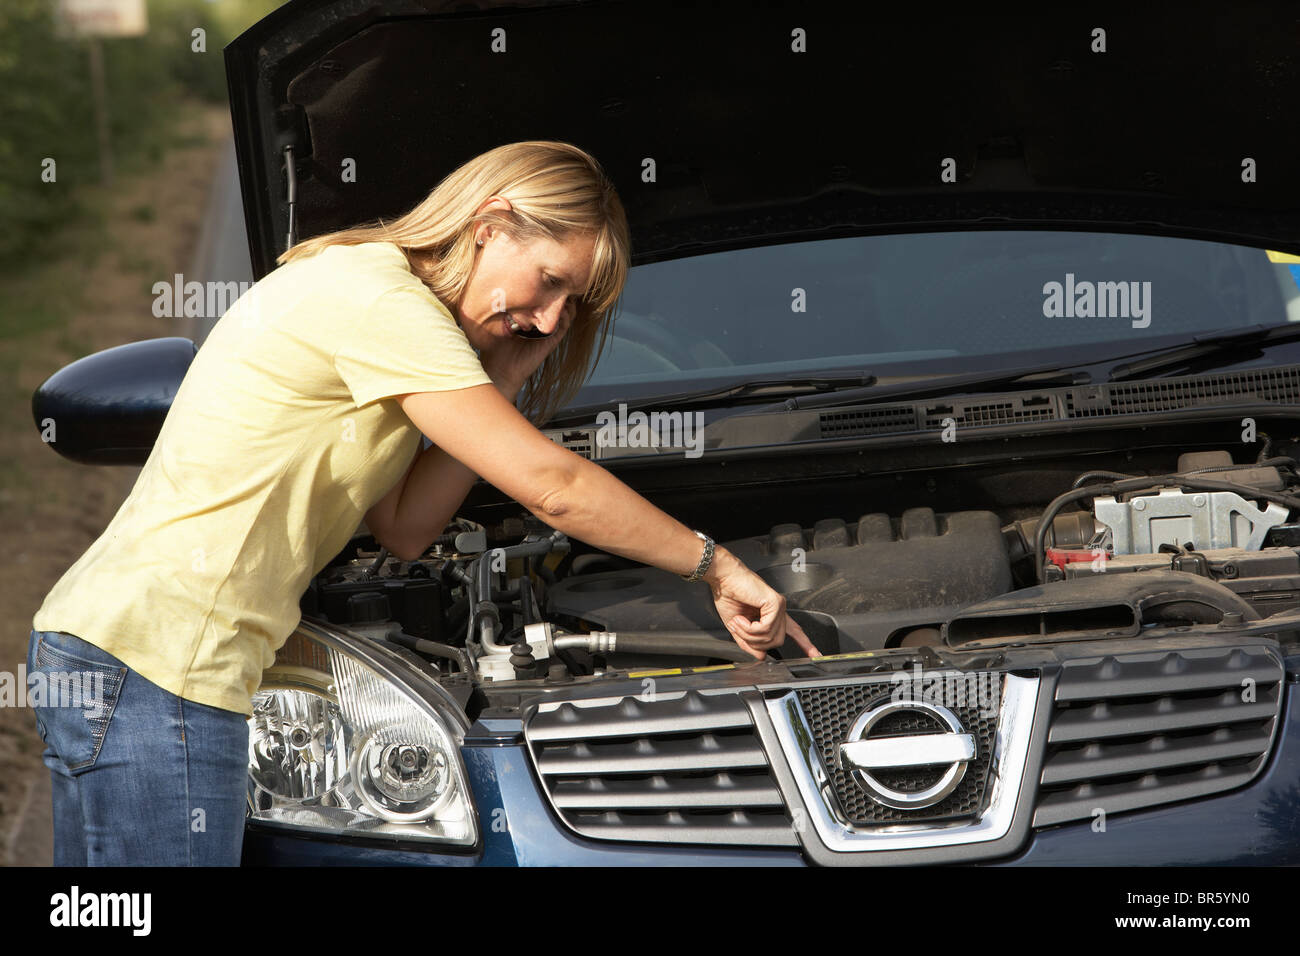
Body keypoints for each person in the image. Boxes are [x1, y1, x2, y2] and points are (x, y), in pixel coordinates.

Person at [28, 140, 818, 867]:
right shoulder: (381, 303)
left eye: (569, 306)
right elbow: (555, 487)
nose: (548, 319)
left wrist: (505, 379)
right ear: (492, 223)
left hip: (125, 657)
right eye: (550, 282)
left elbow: (405, 530)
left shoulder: (392, 312)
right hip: (160, 666)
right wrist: (714, 566)